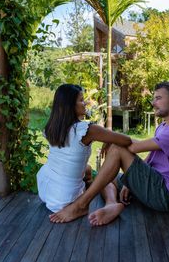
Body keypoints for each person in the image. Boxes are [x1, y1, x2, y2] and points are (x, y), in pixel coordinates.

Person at [49, 82, 169, 225]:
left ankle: (80, 205)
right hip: (155, 183)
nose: (153, 102)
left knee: (117, 149)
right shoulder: (165, 126)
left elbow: (133, 147)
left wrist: (111, 139)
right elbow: (150, 157)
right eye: (154, 98)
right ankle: (111, 204)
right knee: (107, 176)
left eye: (158, 98)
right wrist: (130, 181)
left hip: (165, 195)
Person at [37, 83, 132, 214]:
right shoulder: (86, 129)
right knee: (103, 176)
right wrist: (109, 139)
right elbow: (126, 140)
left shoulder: (51, 128)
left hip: (46, 190)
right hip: (66, 198)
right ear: (70, 105)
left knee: (88, 170)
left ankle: (108, 202)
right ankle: (96, 204)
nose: (85, 103)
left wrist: (107, 139)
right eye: (81, 100)